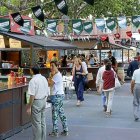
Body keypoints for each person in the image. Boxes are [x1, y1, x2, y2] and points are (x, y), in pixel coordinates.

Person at [27, 65, 49, 140]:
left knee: (36, 124)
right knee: (43, 122)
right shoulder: (43, 78)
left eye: (30, 70)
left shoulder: (33, 81)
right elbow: (47, 90)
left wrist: (29, 107)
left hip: (36, 102)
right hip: (43, 101)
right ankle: (43, 138)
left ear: (32, 71)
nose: (29, 71)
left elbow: (32, 95)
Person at [48, 61, 68, 137]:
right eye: (50, 66)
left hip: (56, 96)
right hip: (59, 95)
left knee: (55, 114)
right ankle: (65, 129)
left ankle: (55, 131)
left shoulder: (56, 75)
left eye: (53, 66)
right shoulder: (56, 75)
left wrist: (50, 77)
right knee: (61, 113)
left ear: (57, 66)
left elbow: (50, 84)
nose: (51, 67)